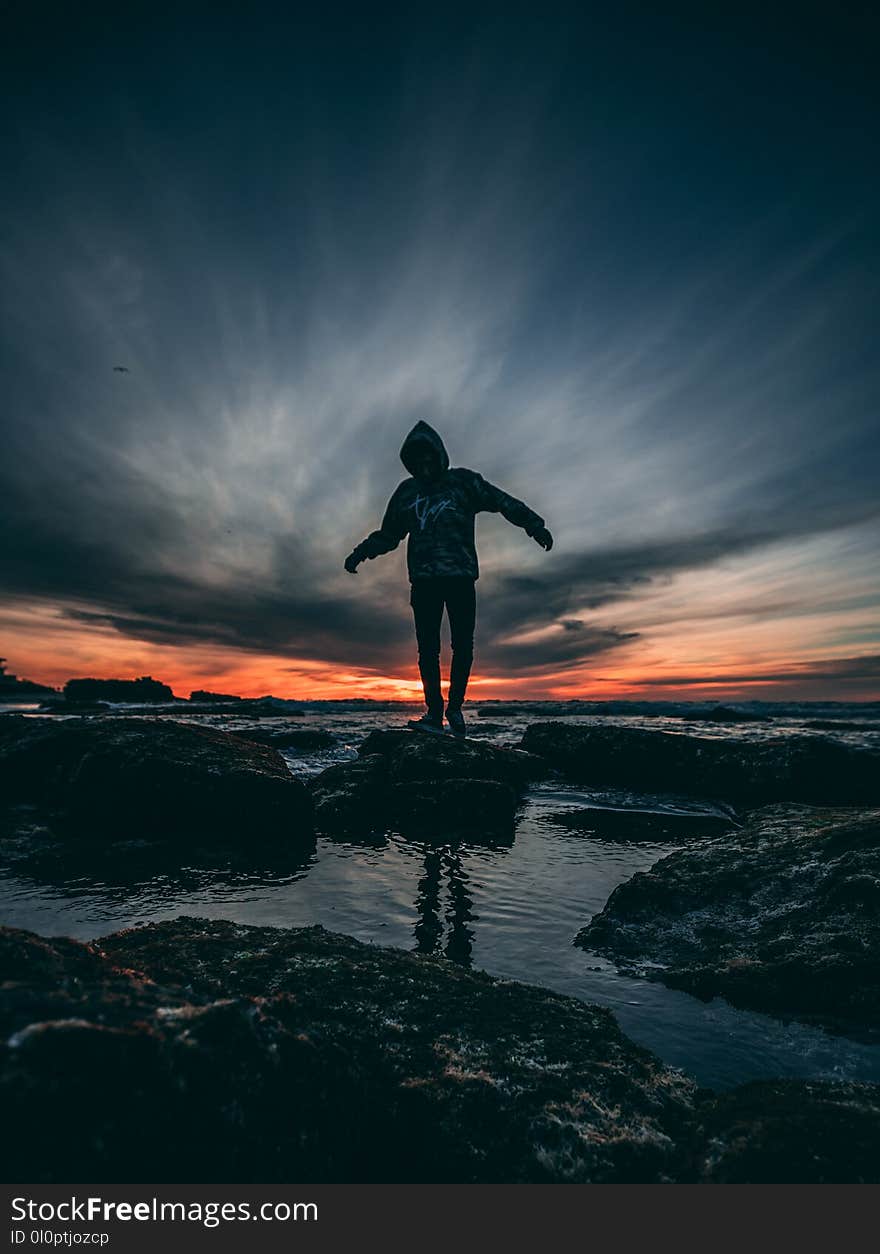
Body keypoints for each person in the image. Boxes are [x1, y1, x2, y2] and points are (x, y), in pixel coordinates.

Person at [344, 420, 553, 736]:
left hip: (461, 578)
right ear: (410, 463)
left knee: (463, 646)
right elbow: (389, 535)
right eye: (417, 460)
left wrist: (534, 525)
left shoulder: (463, 482)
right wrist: (360, 552)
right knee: (427, 649)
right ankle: (433, 713)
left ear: (439, 455)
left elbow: (503, 502)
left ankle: (455, 709)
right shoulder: (406, 492)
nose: (424, 465)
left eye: (429, 457)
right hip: (424, 581)